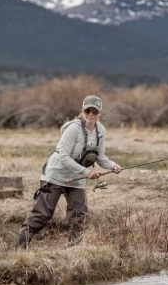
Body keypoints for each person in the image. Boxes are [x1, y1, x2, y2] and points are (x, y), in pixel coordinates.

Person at [16, 95, 121, 249]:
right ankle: (19, 251)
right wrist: (86, 172)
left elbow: (100, 156)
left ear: (100, 113)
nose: (91, 114)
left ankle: (73, 253)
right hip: (55, 174)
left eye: (95, 111)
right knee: (42, 215)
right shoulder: (73, 129)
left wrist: (112, 166)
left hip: (77, 178)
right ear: (82, 111)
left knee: (78, 217)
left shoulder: (101, 131)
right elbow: (63, 156)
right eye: (88, 110)